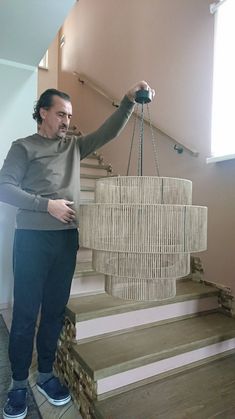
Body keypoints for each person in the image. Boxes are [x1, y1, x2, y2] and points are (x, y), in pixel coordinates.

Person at [0, 80, 154, 419]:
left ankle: (44, 376)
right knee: (26, 314)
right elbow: (4, 187)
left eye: (70, 115)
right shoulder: (23, 147)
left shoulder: (74, 147)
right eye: (60, 114)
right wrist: (46, 205)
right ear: (42, 113)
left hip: (66, 240)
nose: (67, 121)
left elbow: (108, 132)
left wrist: (128, 99)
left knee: (54, 312)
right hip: (31, 239)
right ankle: (19, 385)